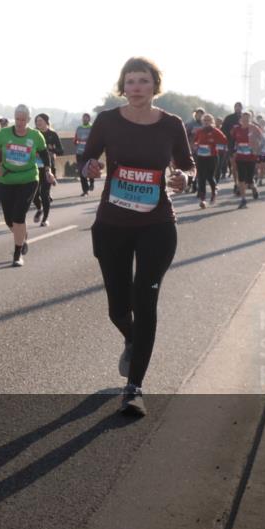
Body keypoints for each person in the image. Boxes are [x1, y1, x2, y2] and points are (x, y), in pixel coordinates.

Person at [80, 57, 194, 417]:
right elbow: (86, 157)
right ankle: (130, 337)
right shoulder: (107, 121)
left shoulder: (172, 124)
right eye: (130, 81)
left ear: (154, 85)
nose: (136, 87)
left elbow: (187, 164)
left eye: (143, 81)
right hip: (112, 223)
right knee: (118, 308)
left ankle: (134, 388)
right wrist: (90, 166)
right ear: (122, 86)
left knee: (145, 301)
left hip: (157, 224)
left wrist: (185, 178)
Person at [0, 104, 53, 266]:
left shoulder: (36, 136)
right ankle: (22, 237)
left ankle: (17, 254)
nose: (19, 123)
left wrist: (48, 171)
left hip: (28, 179)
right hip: (6, 179)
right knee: (9, 221)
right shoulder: (4, 134)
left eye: (23, 120)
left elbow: (46, 156)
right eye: (17, 119)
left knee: (19, 216)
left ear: (28, 120)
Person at [32, 113, 63, 227]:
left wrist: (52, 151)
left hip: (48, 168)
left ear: (46, 122)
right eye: (37, 121)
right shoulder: (33, 134)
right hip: (34, 168)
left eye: (40, 120)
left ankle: (45, 219)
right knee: (34, 194)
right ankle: (39, 208)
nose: (38, 123)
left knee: (44, 193)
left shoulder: (52, 134)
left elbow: (61, 150)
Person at [191, 114, 226, 208]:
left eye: (208, 120)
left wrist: (214, 144)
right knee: (201, 177)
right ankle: (202, 199)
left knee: (210, 177)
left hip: (212, 157)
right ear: (203, 122)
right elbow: (194, 141)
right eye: (205, 120)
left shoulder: (216, 131)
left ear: (211, 122)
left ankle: (214, 192)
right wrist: (195, 145)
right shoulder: (200, 131)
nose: (206, 122)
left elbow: (224, 140)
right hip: (201, 157)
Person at [232, 112, 263, 209]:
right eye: (243, 118)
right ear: (241, 119)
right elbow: (232, 140)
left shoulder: (254, 128)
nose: (245, 120)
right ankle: (243, 199)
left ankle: (254, 188)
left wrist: (256, 149)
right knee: (241, 179)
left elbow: (262, 140)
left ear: (250, 119)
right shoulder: (236, 129)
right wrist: (233, 151)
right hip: (240, 157)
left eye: (247, 118)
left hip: (251, 158)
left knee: (249, 180)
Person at [221, 102, 243, 192]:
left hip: (244, 146)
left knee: (242, 166)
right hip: (232, 145)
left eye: (239, 107)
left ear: (242, 108)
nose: (237, 108)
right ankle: (236, 183)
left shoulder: (245, 118)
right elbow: (223, 131)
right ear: (234, 108)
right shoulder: (229, 118)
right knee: (234, 165)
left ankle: (242, 182)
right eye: (236, 107)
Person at [74, 114, 95, 196]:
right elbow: (75, 140)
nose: (85, 119)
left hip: (90, 152)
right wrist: (77, 142)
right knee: (81, 171)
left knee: (89, 169)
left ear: (89, 119)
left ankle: (92, 182)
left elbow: (95, 139)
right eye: (83, 118)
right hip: (79, 153)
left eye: (86, 118)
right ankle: (85, 190)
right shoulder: (79, 128)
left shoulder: (92, 128)